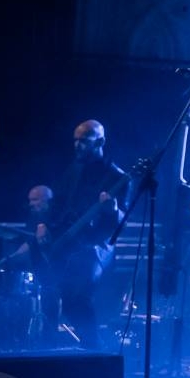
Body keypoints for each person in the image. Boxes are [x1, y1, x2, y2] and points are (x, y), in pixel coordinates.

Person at [37, 120, 131, 349]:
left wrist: (113, 210)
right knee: (52, 290)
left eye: (84, 141)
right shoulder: (73, 170)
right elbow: (56, 205)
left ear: (100, 142)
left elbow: (121, 223)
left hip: (97, 246)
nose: (77, 146)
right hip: (68, 242)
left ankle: (95, 349)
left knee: (77, 295)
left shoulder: (117, 177)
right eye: (75, 141)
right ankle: (51, 346)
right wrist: (43, 224)